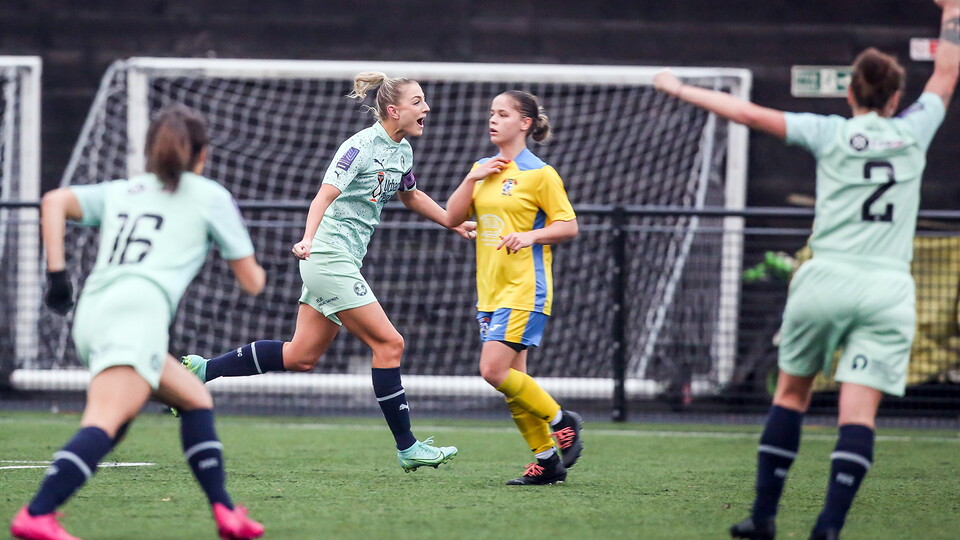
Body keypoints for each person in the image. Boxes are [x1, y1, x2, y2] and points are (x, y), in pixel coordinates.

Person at [655, 1, 959, 538]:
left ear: (850, 94)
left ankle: (765, 518)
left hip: (824, 281)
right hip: (887, 287)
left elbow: (746, 114)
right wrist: (954, 9)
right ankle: (828, 529)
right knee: (857, 414)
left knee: (791, 395)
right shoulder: (914, 132)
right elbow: (948, 69)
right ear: (894, 97)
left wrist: (679, 88)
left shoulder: (830, 133)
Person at [180, 72, 470, 472]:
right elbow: (324, 195)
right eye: (418, 101)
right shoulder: (359, 147)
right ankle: (408, 447)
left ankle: (203, 369)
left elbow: (411, 194)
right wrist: (307, 239)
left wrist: (452, 222)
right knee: (390, 344)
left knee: (300, 356)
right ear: (393, 110)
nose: (427, 109)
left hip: (343, 260)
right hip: (327, 256)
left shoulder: (402, 151)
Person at [10, 104, 267, 540]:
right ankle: (37, 513)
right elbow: (252, 283)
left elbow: (53, 201)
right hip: (137, 316)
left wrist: (57, 276)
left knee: (193, 399)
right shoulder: (209, 196)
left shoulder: (124, 190)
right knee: (107, 419)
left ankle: (226, 512)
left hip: (95, 311)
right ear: (201, 155)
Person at [444, 90, 583, 485]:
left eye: (502, 114)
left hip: (525, 288)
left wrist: (531, 236)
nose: (493, 119)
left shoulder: (540, 174)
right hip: (490, 291)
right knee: (513, 383)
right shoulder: (483, 168)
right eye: (491, 113)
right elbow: (453, 216)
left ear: (525, 123)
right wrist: (472, 176)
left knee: (491, 369)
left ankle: (562, 419)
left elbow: (568, 225)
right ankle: (546, 461)